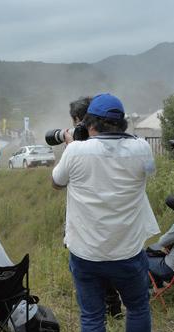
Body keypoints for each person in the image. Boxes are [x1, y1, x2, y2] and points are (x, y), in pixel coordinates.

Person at [51, 93, 159, 332]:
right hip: (128, 250)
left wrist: (72, 144)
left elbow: (56, 182)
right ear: (122, 122)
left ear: (89, 123)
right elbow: (149, 172)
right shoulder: (142, 148)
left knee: (92, 315)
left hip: (86, 252)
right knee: (137, 307)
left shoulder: (76, 151)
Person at [64, 96, 123, 319]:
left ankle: (102, 305)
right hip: (113, 212)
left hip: (88, 215)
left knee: (88, 262)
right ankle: (113, 305)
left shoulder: (80, 149)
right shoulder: (116, 143)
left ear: (80, 120)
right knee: (107, 259)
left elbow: (59, 180)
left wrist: (72, 147)